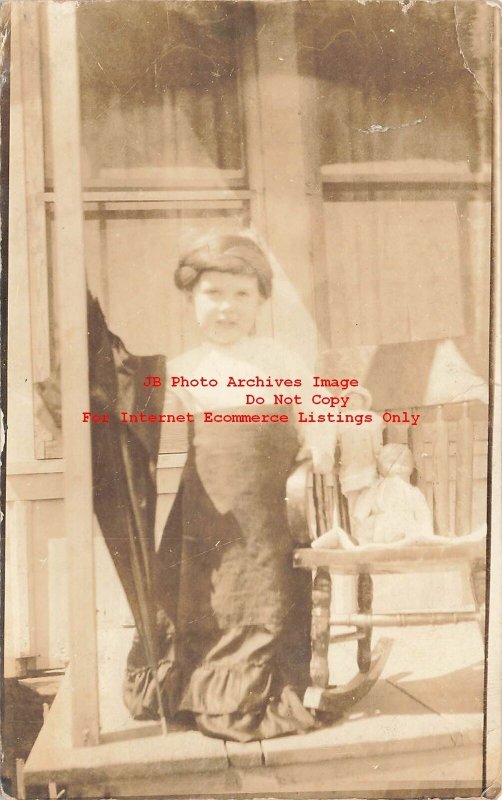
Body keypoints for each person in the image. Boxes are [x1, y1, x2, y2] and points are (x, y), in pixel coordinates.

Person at [123, 232, 335, 742]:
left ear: (262, 300)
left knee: (261, 597)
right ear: (191, 300)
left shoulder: (279, 360)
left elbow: (319, 412)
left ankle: (250, 692)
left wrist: (319, 445)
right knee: (204, 600)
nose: (227, 307)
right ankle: (198, 690)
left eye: (242, 295)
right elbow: (131, 414)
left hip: (269, 515)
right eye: (213, 294)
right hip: (208, 511)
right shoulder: (182, 370)